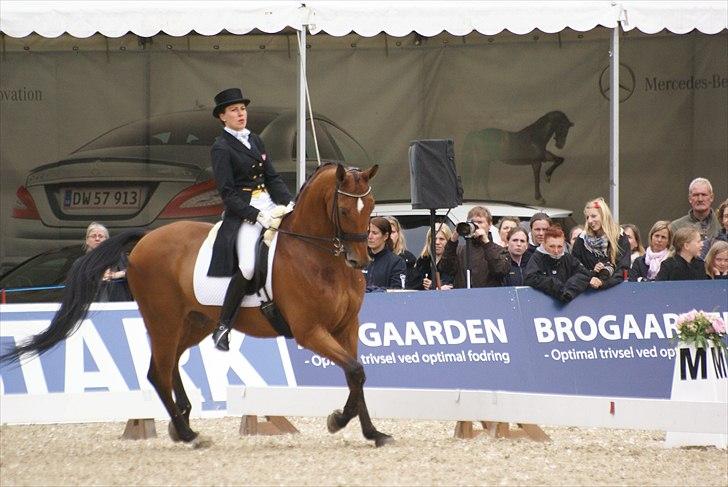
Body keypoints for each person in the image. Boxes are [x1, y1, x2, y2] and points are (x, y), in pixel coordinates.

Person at [207, 88, 293, 352]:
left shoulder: (255, 140)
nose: (240, 113)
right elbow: (227, 193)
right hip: (244, 212)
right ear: (223, 116)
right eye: (234, 110)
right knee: (246, 266)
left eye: (242, 108)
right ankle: (223, 326)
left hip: (268, 202)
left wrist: (288, 203)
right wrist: (256, 215)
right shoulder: (221, 147)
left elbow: (272, 177)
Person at [440, 206, 510, 288]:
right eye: (472, 222)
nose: (476, 225)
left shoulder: (499, 250)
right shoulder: (460, 250)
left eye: (480, 222)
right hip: (463, 298)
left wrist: (486, 242)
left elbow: (500, 270)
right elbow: (446, 269)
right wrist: (452, 241)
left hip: (488, 297)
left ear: (490, 224)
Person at [571, 197, 631, 289]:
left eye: (594, 216)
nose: (590, 221)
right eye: (587, 217)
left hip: (614, 290)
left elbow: (623, 268)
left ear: (604, 216)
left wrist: (603, 283)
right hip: (587, 291)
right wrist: (591, 275)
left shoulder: (620, 237)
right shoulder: (581, 240)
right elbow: (575, 267)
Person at [524, 225, 592, 302]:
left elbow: (584, 274)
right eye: (552, 246)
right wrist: (555, 286)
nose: (556, 251)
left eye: (559, 246)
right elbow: (530, 278)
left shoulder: (568, 258)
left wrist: (569, 289)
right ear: (544, 243)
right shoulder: (537, 257)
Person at [670, 177, 720, 259]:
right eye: (696, 195)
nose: (700, 199)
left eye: (704, 195)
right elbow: (673, 257)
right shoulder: (676, 226)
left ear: (711, 197)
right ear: (690, 198)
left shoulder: (722, 224)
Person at [82, 222, 132, 302]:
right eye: (93, 236)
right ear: (87, 240)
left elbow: (134, 272)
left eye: (101, 236)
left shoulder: (119, 257)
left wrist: (117, 274)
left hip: (119, 305)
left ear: (107, 240)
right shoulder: (81, 263)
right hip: (92, 307)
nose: (97, 239)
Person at [364, 217, 407, 292]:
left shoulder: (396, 262)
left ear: (386, 236)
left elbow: (398, 290)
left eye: (375, 233)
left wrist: (375, 291)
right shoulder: (361, 260)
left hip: (384, 302)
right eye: (368, 232)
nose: (370, 237)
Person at [414, 223, 454, 290]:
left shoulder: (452, 261)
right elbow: (413, 284)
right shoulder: (423, 261)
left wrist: (433, 286)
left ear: (448, 241)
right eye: (434, 238)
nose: (437, 242)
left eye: (441, 239)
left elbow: (450, 284)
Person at [386, 216, 419, 289]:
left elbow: (414, 286)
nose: (390, 236)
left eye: (393, 232)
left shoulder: (408, 259)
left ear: (398, 234)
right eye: (387, 232)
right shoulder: (372, 258)